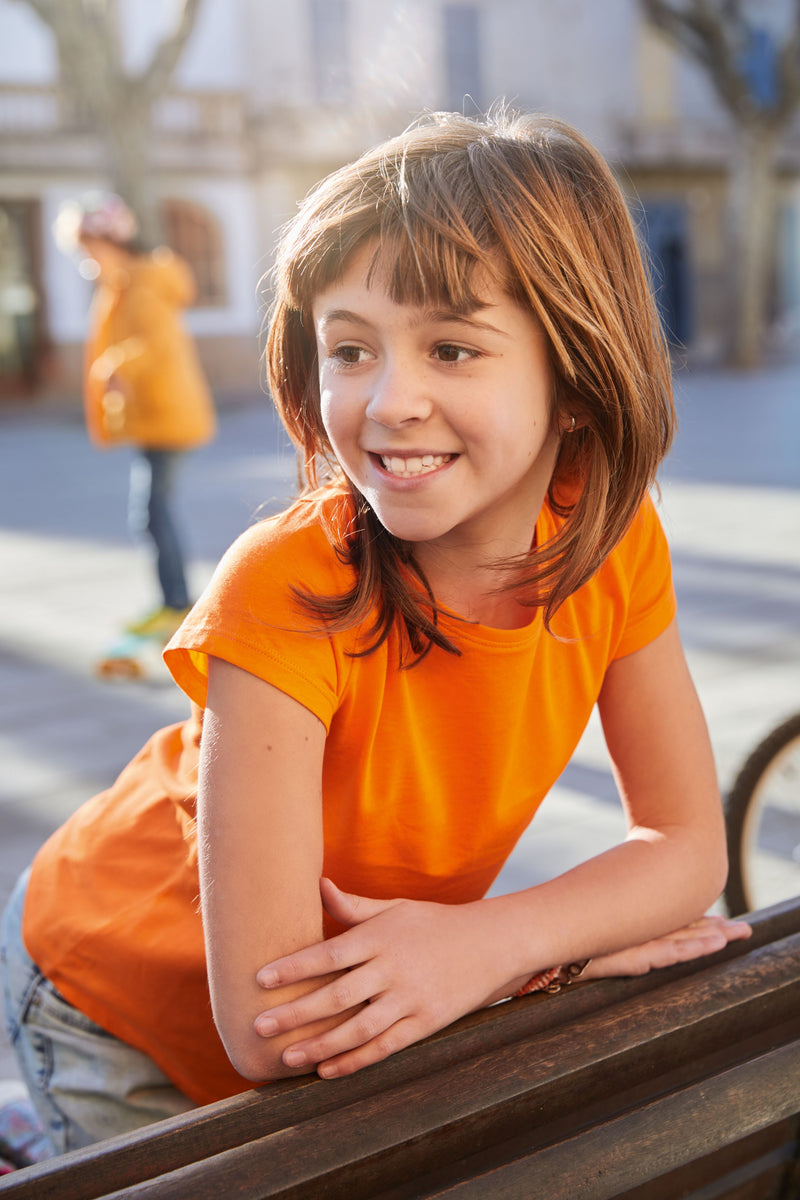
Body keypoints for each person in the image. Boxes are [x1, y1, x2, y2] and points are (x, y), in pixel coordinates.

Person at [1, 109, 750, 1159]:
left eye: (452, 348)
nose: (389, 401)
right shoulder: (285, 586)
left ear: (577, 380)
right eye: (349, 349)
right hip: (115, 999)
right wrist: (540, 957)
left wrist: (499, 942)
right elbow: (272, 1026)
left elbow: (686, 848)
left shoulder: (612, 539)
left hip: (357, 1018)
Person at [54, 193, 217, 639]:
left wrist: (117, 367)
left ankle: (177, 603)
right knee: (152, 512)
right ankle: (172, 601)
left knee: (152, 512)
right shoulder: (128, 281)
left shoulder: (141, 282)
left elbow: (157, 342)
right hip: (156, 413)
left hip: (166, 413)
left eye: (89, 249)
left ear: (112, 242)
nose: (86, 260)